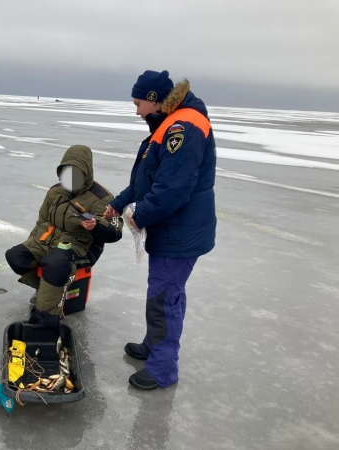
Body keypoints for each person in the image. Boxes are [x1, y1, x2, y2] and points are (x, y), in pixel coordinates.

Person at [104, 70, 216, 391]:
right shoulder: (165, 126)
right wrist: (119, 203)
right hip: (171, 228)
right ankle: (154, 346)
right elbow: (146, 179)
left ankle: (162, 368)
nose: (136, 110)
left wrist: (140, 216)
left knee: (164, 299)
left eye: (138, 103)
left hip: (180, 231)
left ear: (154, 100)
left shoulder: (184, 126)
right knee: (161, 293)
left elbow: (171, 189)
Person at [6, 145, 123, 322]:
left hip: (80, 247)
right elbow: (42, 220)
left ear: (86, 173)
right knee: (16, 256)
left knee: (55, 264)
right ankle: (48, 291)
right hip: (47, 240)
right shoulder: (55, 191)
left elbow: (116, 231)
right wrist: (31, 242)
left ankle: (47, 316)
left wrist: (96, 226)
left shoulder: (103, 198)